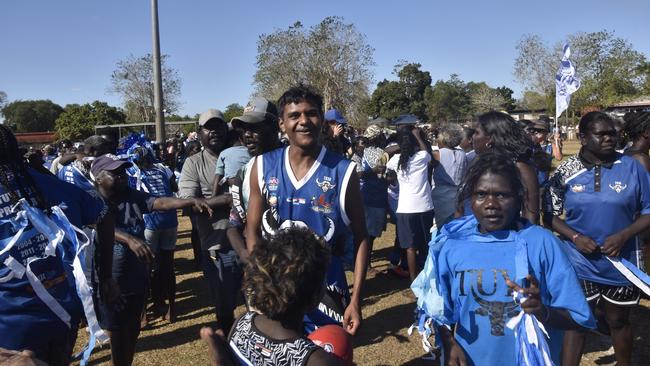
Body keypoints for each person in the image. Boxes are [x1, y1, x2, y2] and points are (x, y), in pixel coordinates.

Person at [430, 152, 594, 366]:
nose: (491, 204)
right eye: (481, 194)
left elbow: (578, 318)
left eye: (502, 195)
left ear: (519, 197)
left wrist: (542, 311)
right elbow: (438, 307)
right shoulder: (452, 245)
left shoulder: (542, 243)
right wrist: (448, 341)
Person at [245, 85, 369, 335]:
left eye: (311, 113)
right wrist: (258, 283)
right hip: (276, 290)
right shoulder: (261, 166)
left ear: (321, 120)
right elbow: (252, 230)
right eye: (294, 115)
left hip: (327, 292)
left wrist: (355, 300)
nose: (304, 121)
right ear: (281, 124)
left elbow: (362, 236)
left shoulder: (344, 171)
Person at [0, 125, 118, 366]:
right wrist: (105, 276)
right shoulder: (47, 184)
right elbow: (104, 216)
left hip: (9, 331)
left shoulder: (42, 182)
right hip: (62, 314)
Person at [543, 111, 650, 366]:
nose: (609, 139)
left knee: (618, 320)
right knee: (578, 321)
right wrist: (575, 236)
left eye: (612, 133)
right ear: (582, 137)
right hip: (579, 261)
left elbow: (648, 210)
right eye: (601, 134)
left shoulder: (632, 166)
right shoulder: (565, 171)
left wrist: (624, 235)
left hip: (621, 261)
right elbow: (549, 214)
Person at [91, 153, 215, 366]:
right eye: (115, 173)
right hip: (110, 277)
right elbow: (95, 223)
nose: (122, 177)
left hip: (135, 273)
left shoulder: (130, 194)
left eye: (123, 172)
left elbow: (159, 202)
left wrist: (189, 201)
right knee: (118, 332)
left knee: (132, 328)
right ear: (98, 178)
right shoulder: (91, 199)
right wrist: (129, 239)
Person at [178, 109, 237, 332]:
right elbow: (188, 202)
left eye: (218, 126)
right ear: (199, 133)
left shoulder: (240, 155)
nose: (214, 131)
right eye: (208, 127)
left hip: (251, 242)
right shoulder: (193, 163)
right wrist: (226, 199)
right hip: (217, 246)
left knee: (258, 305)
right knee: (225, 309)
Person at [223, 97, 282, 264]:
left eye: (255, 128)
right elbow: (233, 225)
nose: (247, 135)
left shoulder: (293, 165)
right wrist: (244, 252)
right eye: (244, 129)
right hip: (259, 268)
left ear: (276, 126)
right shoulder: (242, 174)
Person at [128, 146, 180, 323]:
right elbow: (174, 186)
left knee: (146, 267)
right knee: (168, 265)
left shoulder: (134, 172)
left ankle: (143, 314)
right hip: (170, 220)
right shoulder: (163, 168)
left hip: (150, 221)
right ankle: (171, 309)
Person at [386, 121, 435, 282]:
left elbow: (385, 154)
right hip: (425, 206)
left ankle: (414, 281)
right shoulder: (422, 157)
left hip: (405, 209)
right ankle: (427, 277)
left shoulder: (397, 160)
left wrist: (402, 145)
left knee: (410, 248)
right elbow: (426, 151)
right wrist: (417, 137)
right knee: (426, 246)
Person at [470, 111, 540, 223]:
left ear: (490, 139)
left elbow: (531, 214)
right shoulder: (479, 164)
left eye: (476, 133)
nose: (472, 137)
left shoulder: (520, 167)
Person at [358, 125, 389, 273]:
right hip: (375, 196)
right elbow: (380, 174)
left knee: (367, 233)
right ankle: (366, 264)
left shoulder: (364, 151)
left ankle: (365, 262)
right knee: (369, 235)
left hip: (367, 194)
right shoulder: (380, 153)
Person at [431, 124, 468, 228]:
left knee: (442, 225)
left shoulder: (437, 154)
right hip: (458, 193)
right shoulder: (462, 153)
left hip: (441, 195)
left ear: (444, 138)